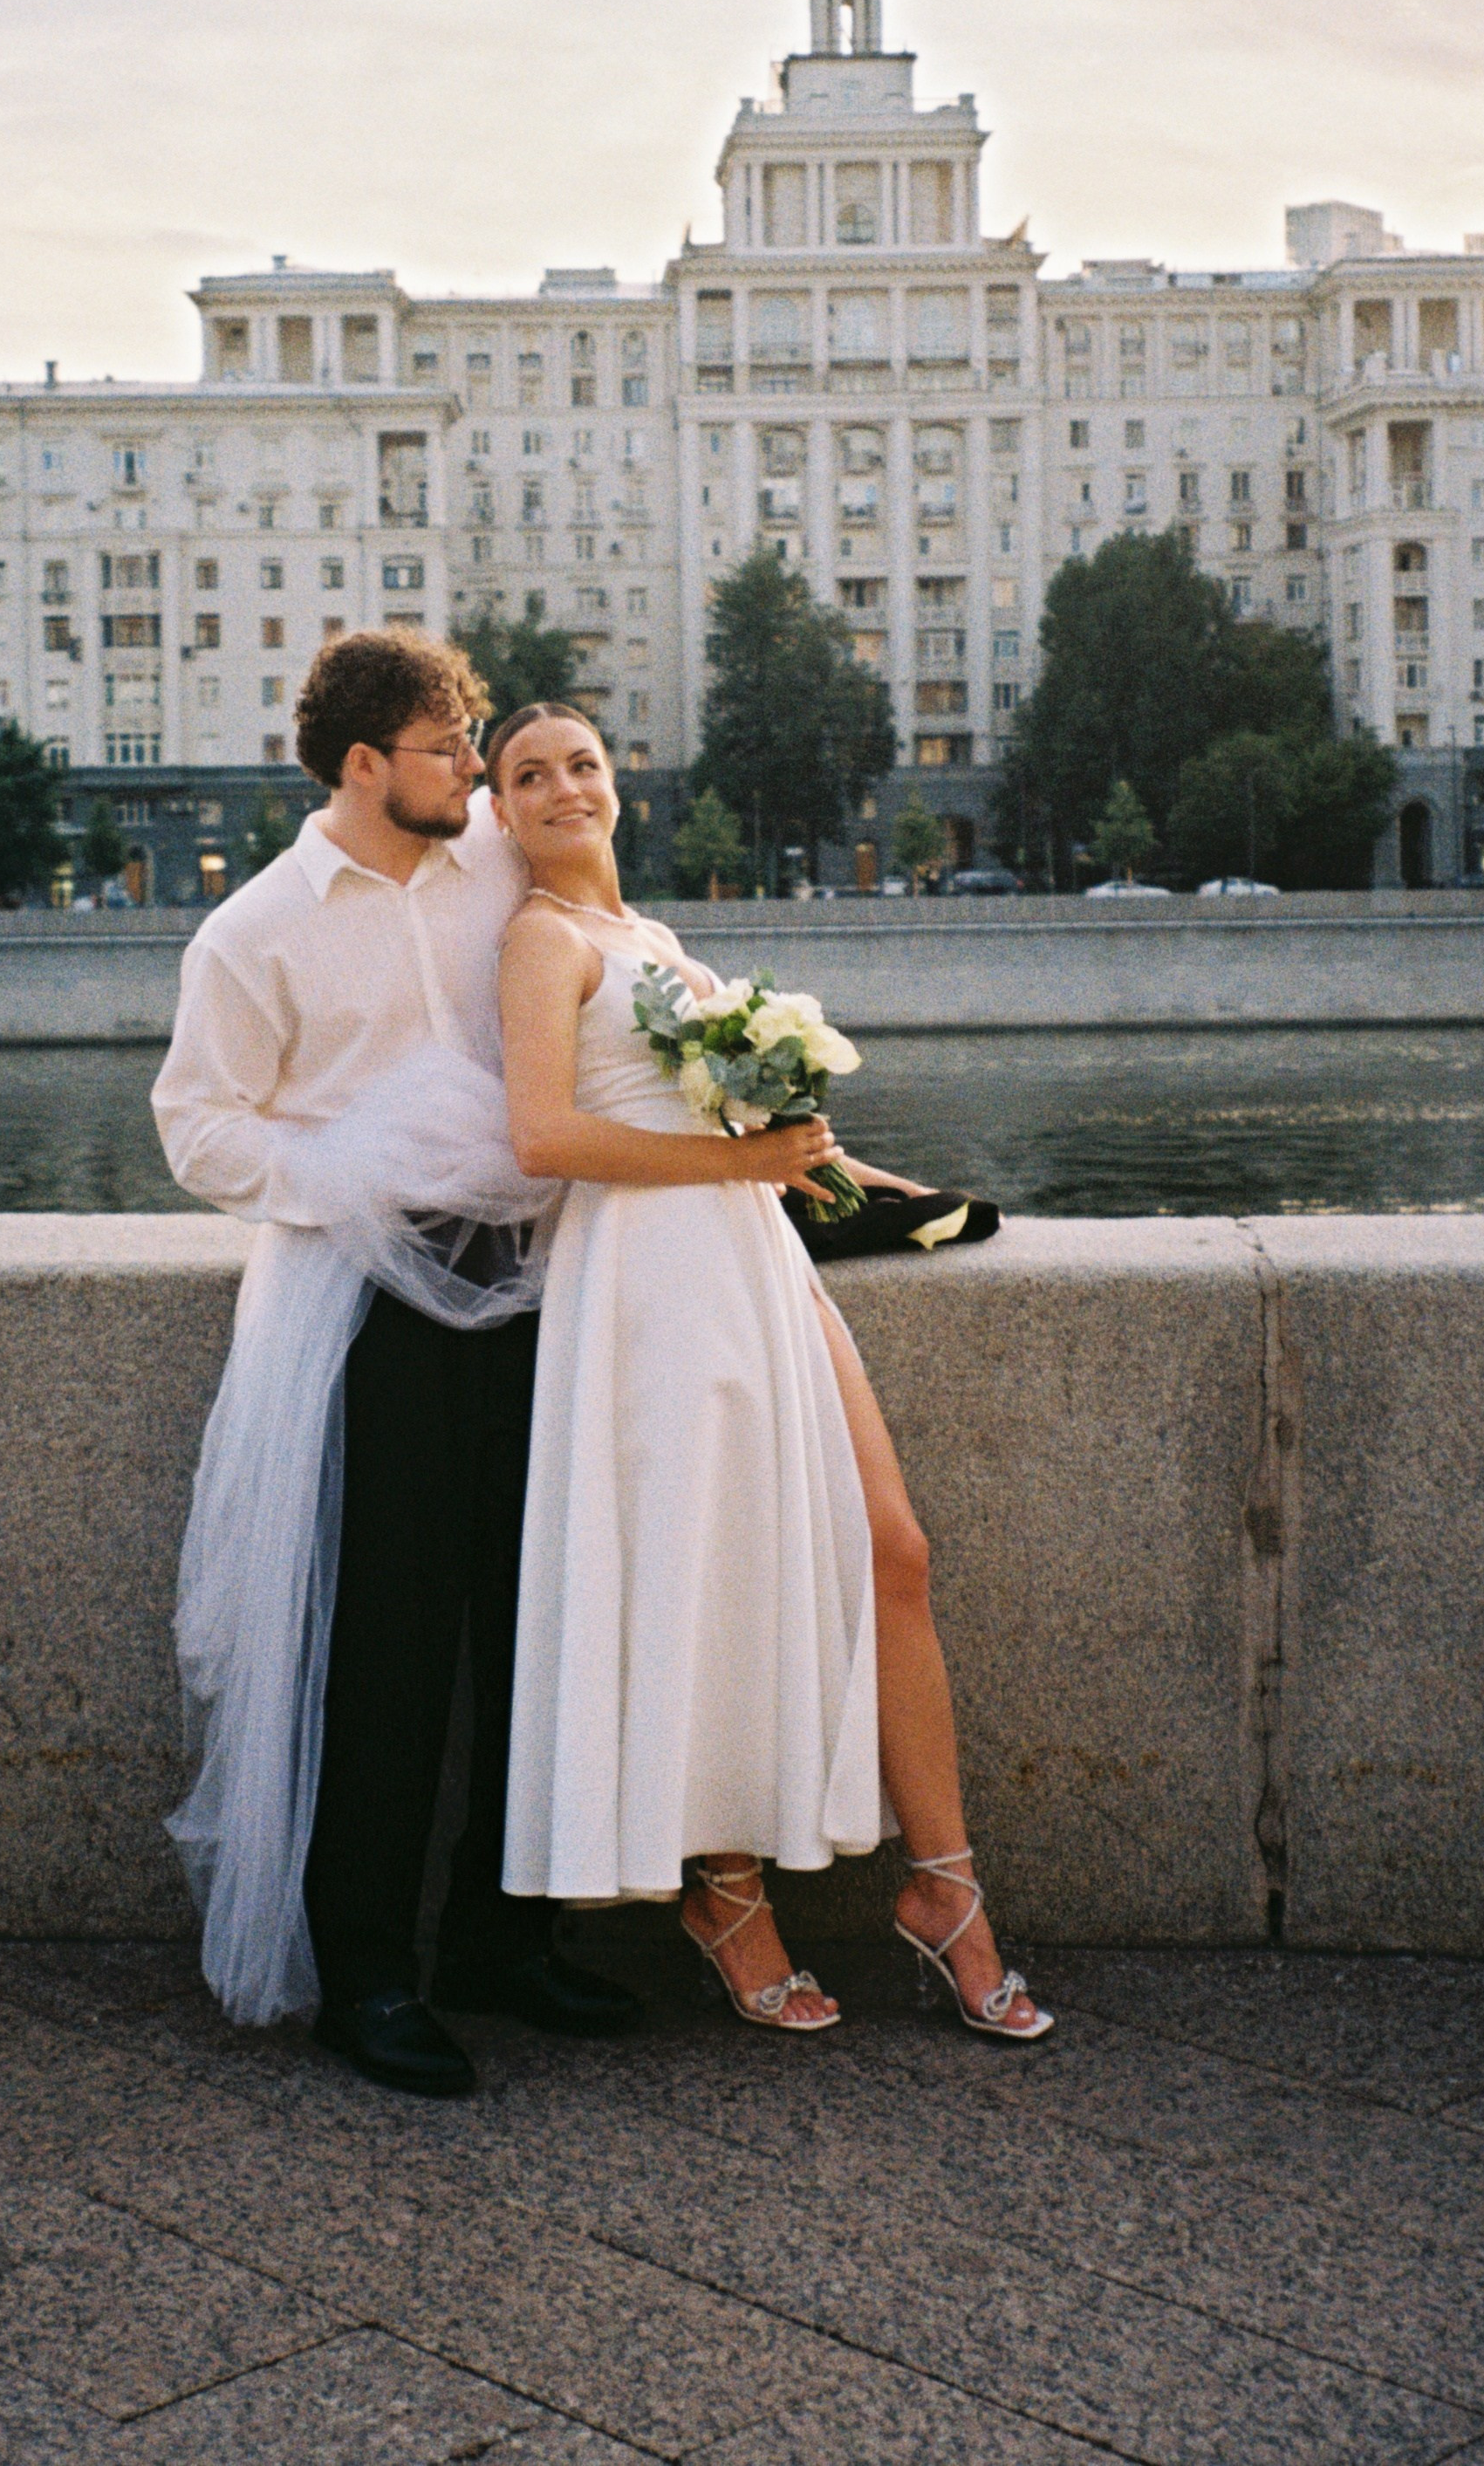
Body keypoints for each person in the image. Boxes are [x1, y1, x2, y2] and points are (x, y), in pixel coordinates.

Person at [490, 702, 1051, 2043]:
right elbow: (541, 1135)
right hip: (647, 1284)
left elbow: (762, 1135)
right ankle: (729, 1896)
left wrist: (881, 1184)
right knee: (705, 1576)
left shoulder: (655, 940)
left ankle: (943, 1883)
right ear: (498, 811)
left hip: (755, 1261)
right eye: (528, 773)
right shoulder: (538, 939)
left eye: (581, 762)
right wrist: (737, 1159)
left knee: (893, 1547)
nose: (564, 786)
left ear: (612, 782)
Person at [153, 631, 639, 2097]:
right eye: (448, 745)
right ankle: (364, 1971)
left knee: (534, 1615)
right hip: (374, 1296)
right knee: (388, 1641)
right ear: (363, 765)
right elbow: (198, 1127)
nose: (477, 766)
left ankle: (503, 1937)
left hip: (539, 1273)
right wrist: (356, 1177)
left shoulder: (496, 859)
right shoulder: (253, 930)